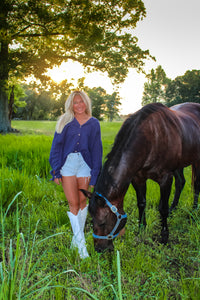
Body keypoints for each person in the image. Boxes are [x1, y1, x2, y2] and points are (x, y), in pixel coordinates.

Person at [49, 90, 102, 259]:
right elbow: (56, 147)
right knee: (73, 203)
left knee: (82, 201)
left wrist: (95, 175)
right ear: (70, 104)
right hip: (68, 165)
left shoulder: (94, 123)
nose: (79, 105)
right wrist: (56, 170)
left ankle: (75, 240)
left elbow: (97, 150)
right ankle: (81, 246)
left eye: (81, 101)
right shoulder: (65, 121)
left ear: (86, 103)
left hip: (85, 165)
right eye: (75, 102)